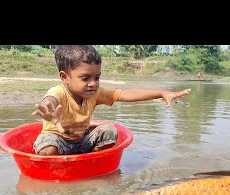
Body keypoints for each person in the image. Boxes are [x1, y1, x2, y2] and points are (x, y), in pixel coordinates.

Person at [32, 45, 191, 155]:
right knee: (47, 147)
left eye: (97, 77)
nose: (93, 83)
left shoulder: (95, 93)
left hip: (81, 142)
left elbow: (125, 94)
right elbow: (50, 100)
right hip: (58, 141)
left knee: (109, 131)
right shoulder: (58, 92)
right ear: (64, 77)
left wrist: (161, 93)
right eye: (85, 78)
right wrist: (49, 109)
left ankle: (90, 160)